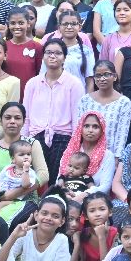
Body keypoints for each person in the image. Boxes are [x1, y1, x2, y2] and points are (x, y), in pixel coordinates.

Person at [23, 38, 85, 182]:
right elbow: (26, 117)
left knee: (55, 181)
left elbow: (77, 118)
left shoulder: (74, 84)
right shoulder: (33, 83)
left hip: (63, 138)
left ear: (64, 57)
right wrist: (24, 142)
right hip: (36, 137)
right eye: (48, 52)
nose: (52, 56)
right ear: (43, 56)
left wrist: (74, 146)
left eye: (58, 53)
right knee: (35, 181)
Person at [0, 102, 49, 223]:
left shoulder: (32, 144)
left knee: (1, 221)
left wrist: (14, 194)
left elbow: (43, 175)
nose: (12, 121)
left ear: (24, 121)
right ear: (1, 121)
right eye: (8, 117)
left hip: (26, 200)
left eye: (17, 118)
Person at [78, 60, 131, 157]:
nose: (102, 79)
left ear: (115, 77)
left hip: (109, 156)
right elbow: (78, 129)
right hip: (85, 155)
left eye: (106, 74)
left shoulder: (124, 102)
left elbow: (122, 134)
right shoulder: (85, 100)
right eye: (98, 75)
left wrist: (117, 158)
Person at [58, 111, 116, 203]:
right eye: (86, 126)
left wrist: (85, 195)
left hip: (93, 201)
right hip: (65, 197)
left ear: (102, 131)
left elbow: (106, 186)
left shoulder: (107, 155)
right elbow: (59, 179)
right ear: (80, 128)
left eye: (95, 127)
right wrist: (65, 193)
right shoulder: (70, 152)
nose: (90, 130)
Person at [71, 193, 115, 261]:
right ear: (85, 216)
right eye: (92, 211)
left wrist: (101, 237)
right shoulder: (83, 235)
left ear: (110, 212)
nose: (97, 214)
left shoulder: (116, 233)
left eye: (102, 209)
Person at [0, 140, 40, 217]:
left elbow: (26, 185)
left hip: (18, 200)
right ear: (13, 159)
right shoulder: (8, 169)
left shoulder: (30, 173)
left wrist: (26, 170)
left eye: (28, 154)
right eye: (21, 155)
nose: (26, 157)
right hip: (1, 195)